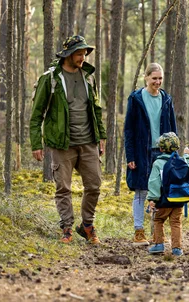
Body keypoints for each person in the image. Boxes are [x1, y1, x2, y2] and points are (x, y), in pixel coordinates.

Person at [29, 35, 106, 244]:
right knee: (63, 187)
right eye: (79, 53)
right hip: (61, 143)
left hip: (89, 141)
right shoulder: (51, 78)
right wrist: (36, 143)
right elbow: (37, 114)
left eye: (85, 53)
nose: (83, 57)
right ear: (68, 55)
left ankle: (87, 225)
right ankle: (67, 228)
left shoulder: (88, 77)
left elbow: (96, 109)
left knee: (94, 185)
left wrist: (102, 135)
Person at [124, 63, 177, 246]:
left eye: (160, 78)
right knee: (141, 190)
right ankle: (139, 232)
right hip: (141, 152)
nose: (157, 82)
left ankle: (158, 233)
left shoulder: (166, 99)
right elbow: (129, 130)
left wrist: (173, 154)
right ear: (146, 78)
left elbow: (173, 130)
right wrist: (130, 156)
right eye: (154, 78)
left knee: (161, 192)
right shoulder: (136, 98)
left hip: (162, 152)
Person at [146, 132, 189, 256]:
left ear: (161, 148)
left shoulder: (158, 163)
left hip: (164, 200)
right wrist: (187, 156)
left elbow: (154, 182)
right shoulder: (181, 161)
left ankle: (159, 244)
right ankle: (177, 248)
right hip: (179, 199)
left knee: (158, 220)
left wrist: (152, 199)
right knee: (176, 223)